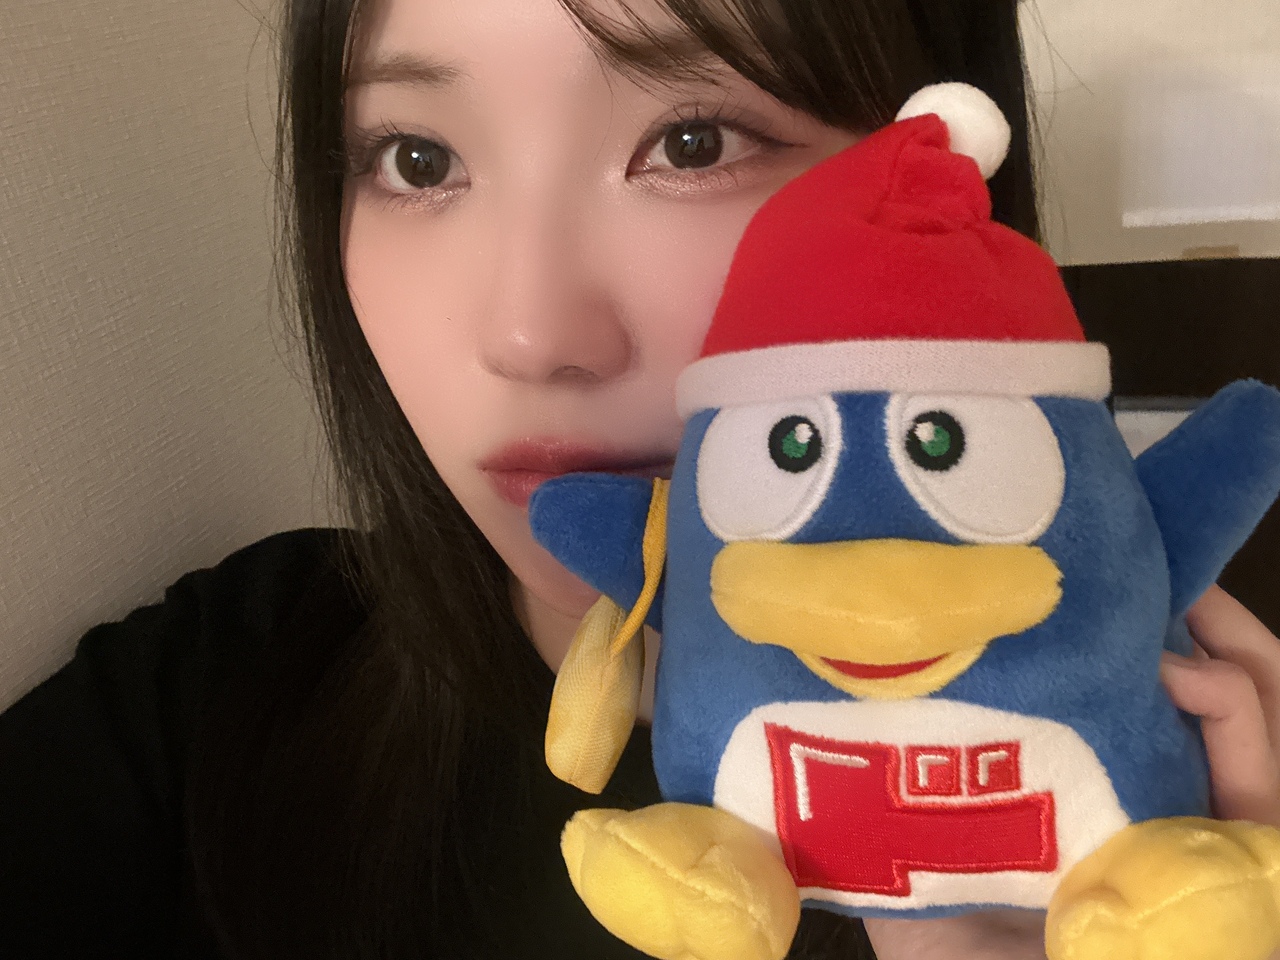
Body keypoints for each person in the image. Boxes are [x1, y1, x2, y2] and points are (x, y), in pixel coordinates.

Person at [1, 0, 1277, 958]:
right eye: (416, 160)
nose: (528, 333)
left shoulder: (1177, 830)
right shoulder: (215, 692)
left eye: (692, 138)